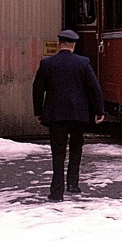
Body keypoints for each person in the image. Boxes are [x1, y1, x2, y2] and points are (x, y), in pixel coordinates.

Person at [32, 30, 105, 200]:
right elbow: (94, 88)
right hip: (78, 115)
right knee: (76, 148)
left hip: (55, 115)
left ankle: (56, 192)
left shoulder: (47, 63)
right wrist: (99, 111)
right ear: (73, 45)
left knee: (58, 152)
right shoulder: (83, 63)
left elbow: (37, 89)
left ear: (59, 44)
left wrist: (38, 111)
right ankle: (73, 184)